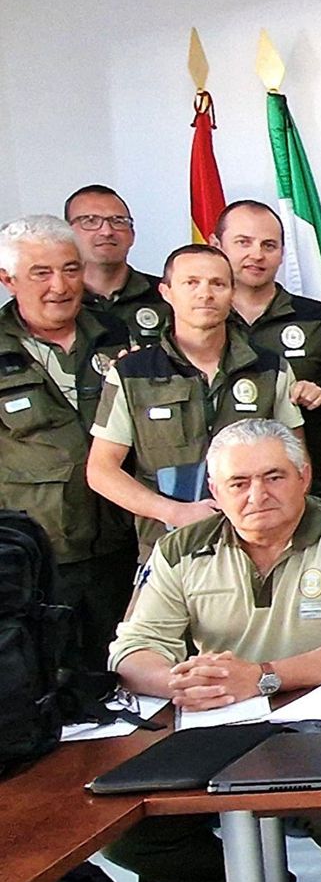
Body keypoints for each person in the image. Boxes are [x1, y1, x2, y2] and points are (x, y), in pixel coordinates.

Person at [103, 419, 321, 882]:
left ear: (304, 476)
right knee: (124, 830)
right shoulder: (180, 548)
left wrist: (262, 677)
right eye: (238, 483)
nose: (256, 494)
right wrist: (175, 682)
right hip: (216, 726)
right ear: (215, 492)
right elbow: (131, 649)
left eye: (274, 477)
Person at [87, 244, 304, 559]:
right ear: (166, 292)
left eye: (218, 284)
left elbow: (297, 465)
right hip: (168, 551)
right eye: (191, 283)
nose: (206, 293)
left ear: (232, 293)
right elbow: (101, 471)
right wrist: (174, 512)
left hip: (258, 549)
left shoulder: (271, 368)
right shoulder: (131, 373)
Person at [0, 215, 136, 668]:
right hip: (41, 557)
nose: (60, 285)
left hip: (124, 545)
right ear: (8, 279)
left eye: (71, 269)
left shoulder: (120, 335)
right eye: (41, 273)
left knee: (129, 677)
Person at [212, 200, 321, 508]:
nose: (257, 254)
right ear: (216, 245)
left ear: (283, 253)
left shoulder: (318, 318)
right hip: (224, 493)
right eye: (243, 242)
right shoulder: (199, 321)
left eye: (269, 245)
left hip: (313, 488)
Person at [63, 184, 169, 344]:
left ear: (132, 235)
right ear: (67, 234)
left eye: (118, 221)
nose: (107, 231)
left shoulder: (168, 296)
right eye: (90, 221)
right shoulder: (56, 300)